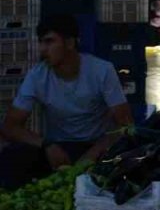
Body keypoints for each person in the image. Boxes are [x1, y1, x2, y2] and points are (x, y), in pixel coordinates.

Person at [0, 15, 132, 190]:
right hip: (58, 148)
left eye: (49, 42)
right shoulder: (37, 76)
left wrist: (95, 151)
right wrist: (46, 144)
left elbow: (126, 124)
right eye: (41, 42)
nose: (42, 49)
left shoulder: (102, 71)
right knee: (11, 157)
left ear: (70, 43)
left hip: (96, 146)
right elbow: (10, 126)